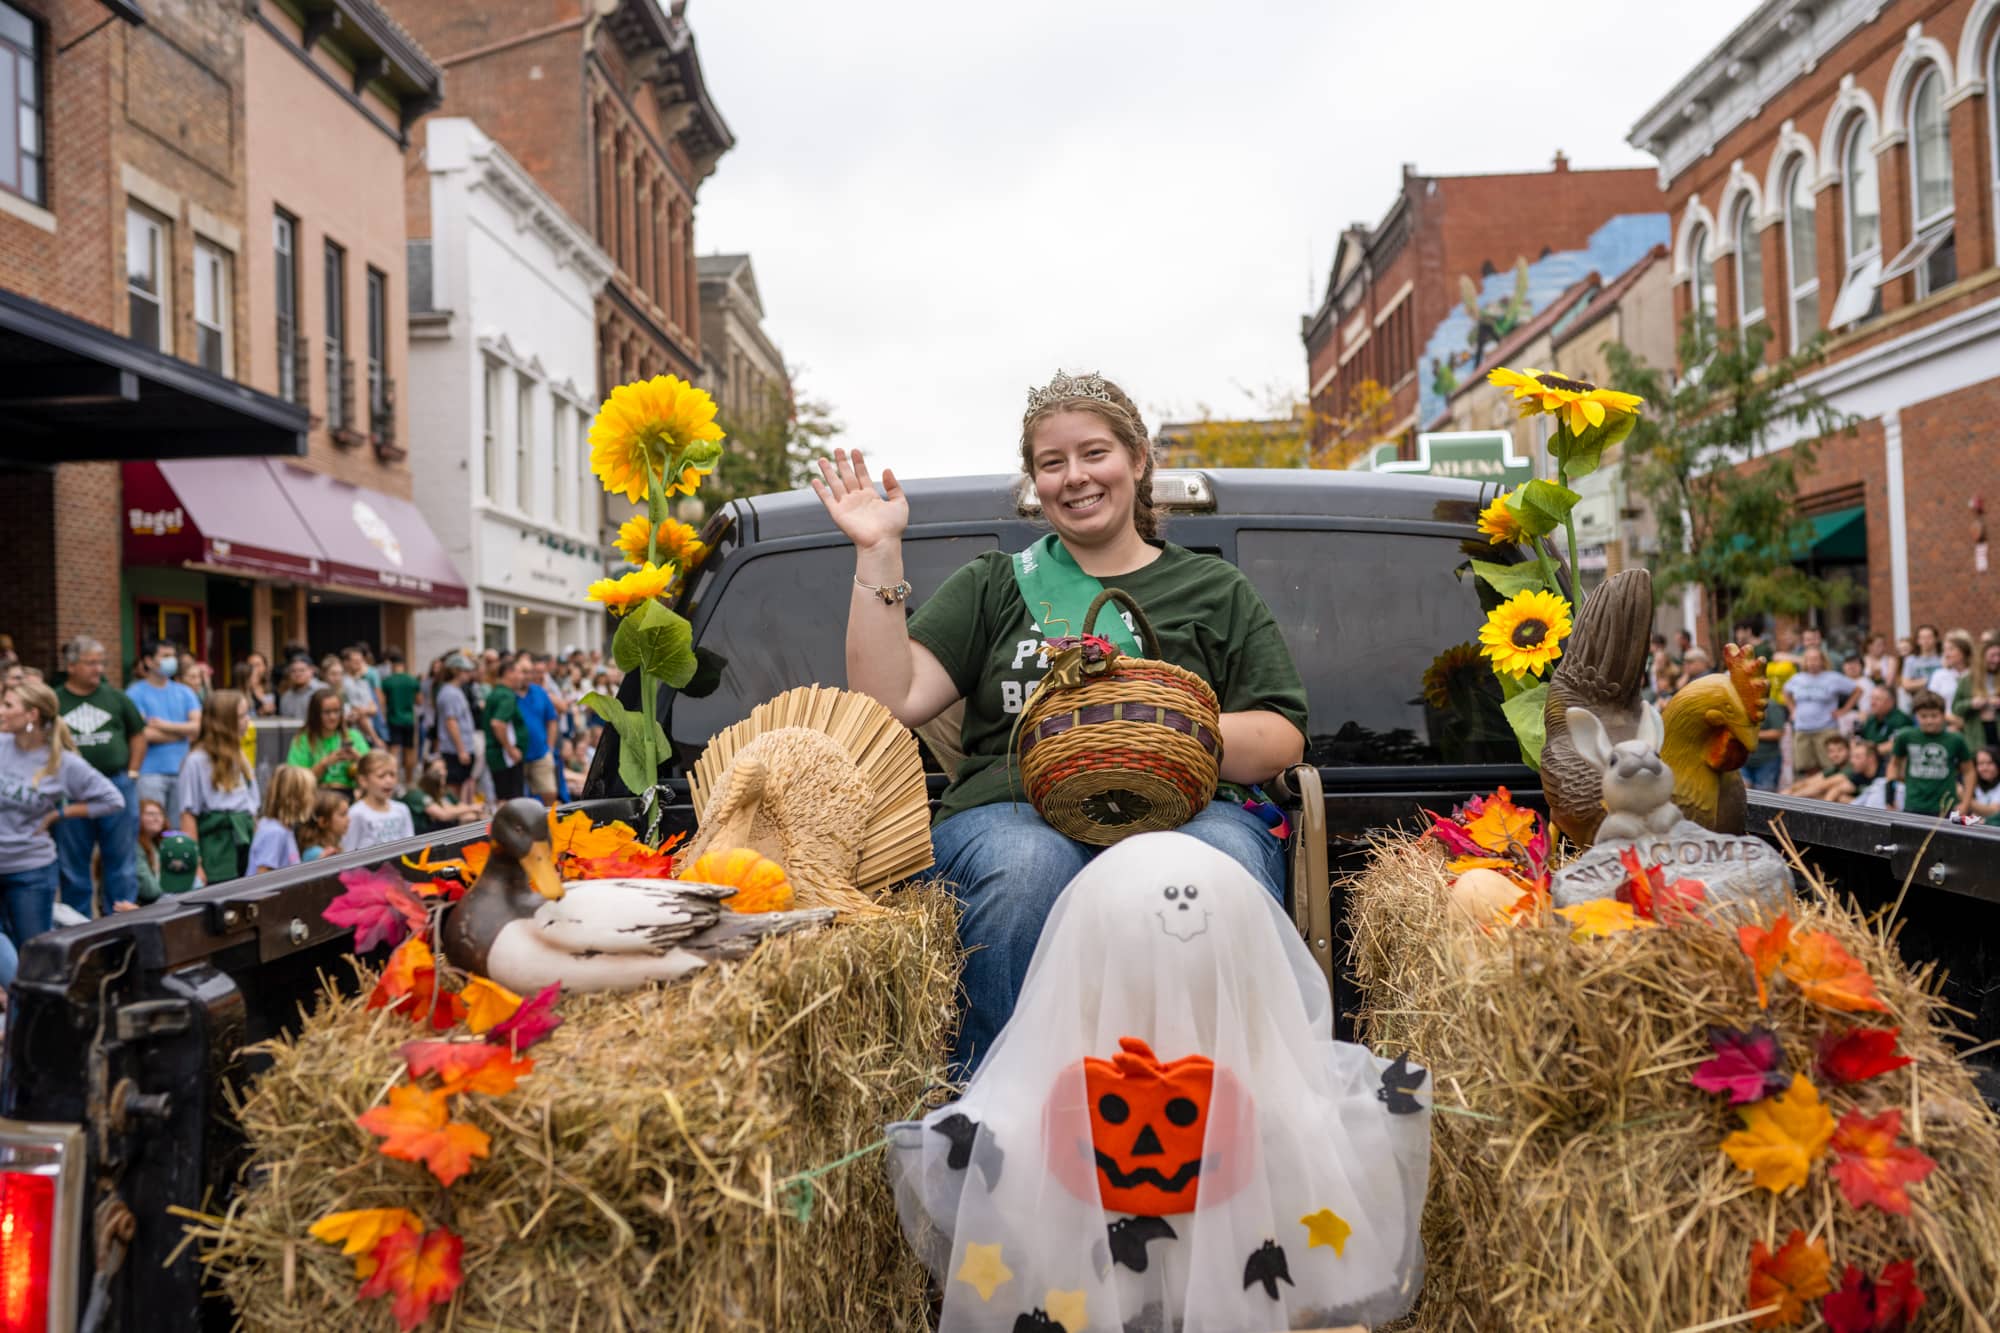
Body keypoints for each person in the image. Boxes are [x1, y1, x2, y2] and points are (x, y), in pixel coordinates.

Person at [811, 370, 1307, 1073]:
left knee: (1210, 869)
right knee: (1029, 866)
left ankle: (1224, 1105)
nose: (1075, 477)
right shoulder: (995, 582)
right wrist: (877, 552)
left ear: (1138, 460)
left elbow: (1283, 733)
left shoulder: (1213, 589)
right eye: (1052, 462)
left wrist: (1162, 738)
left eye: (1095, 453)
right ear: (1034, 481)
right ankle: (994, 1118)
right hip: (1008, 812)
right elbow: (890, 697)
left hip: (1193, 810)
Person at [0, 680, 126, 957]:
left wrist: (60, 813)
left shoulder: (63, 763)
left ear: (32, 714)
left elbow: (113, 800)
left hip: (30, 871)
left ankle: (27, 1001)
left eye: (8, 705)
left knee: (33, 954)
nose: (1, 711)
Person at [52, 636, 148, 916]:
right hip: (71, 792)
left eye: (101, 663)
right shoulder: (56, 700)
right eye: (91, 663)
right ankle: (77, 925)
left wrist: (132, 772)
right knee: (73, 865)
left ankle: (120, 924)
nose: (98, 669)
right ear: (71, 666)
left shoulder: (117, 698)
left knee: (122, 862)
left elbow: (138, 734)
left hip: (116, 784)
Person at [176, 690, 260, 885]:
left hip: (243, 840)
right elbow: (188, 815)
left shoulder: (239, 755)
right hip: (217, 847)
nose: (247, 720)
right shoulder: (196, 761)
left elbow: (251, 806)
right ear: (224, 722)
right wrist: (195, 864)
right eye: (241, 716)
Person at [126, 637, 202, 830]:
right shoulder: (135, 693)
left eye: (173, 656)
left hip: (182, 772)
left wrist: (163, 725)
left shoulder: (185, 692)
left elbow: (198, 727)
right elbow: (144, 734)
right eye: (165, 656)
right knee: (151, 829)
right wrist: (182, 732)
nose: (172, 661)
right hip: (149, 773)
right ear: (149, 661)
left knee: (179, 828)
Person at [1890, 690, 1974, 819]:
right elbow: (1893, 765)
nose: (1929, 721)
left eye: (1934, 716)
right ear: (1916, 716)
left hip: (1945, 807)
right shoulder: (1905, 736)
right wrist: (1890, 797)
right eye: (1923, 716)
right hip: (1913, 805)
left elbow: (1969, 771)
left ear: (1943, 715)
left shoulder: (1955, 739)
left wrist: (1966, 803)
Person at [1783, 645, 1859, 777]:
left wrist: (1844, 710)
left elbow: (1857, 690)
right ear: (1804, 661)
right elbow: (1785, 692)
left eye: (1815, 659)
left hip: (1825, 729)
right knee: (1807, 768)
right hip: (1802, 730)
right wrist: (1792, 709)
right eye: (1809, 659)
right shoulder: (1797, 678)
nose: (1812, 663)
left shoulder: (1833, 677)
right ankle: (1813, 795)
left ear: (1823, 661)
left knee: (1830, 766)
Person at [287, 688, 370, 794]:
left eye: (337, 711)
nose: (333, 717)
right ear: (315, 714)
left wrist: (358, 758)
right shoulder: (302, 740)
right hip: (316, 794)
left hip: (349, 793)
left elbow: (374, 772)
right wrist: (325, 763)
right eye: (326, 712)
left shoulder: (353, 736)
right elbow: (296, 781)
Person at [341, 751, 415, 852]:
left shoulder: (402, 809)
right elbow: (348, 850)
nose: (389, 780)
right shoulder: (356, 813)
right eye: (381, 776)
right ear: (364, 781)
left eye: (392, 775)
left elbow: (410, 845)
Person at [250, 765, 315, 874]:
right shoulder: (274, 833)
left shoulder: (284, 829)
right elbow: (263, 878)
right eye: (311, 793)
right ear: (295, 799)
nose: (314, 798)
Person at [515, 653, 559, 806]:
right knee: (519, 800)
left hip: (540, 753)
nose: (527, 676)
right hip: (516, 756)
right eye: (523, 671)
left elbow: (552, 720)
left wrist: (550, 747)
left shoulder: (540, 692)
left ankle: (547, 828)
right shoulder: (508, 695)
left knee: (550, 793)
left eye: (529, 672)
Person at [399, 758, 484, 835]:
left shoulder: (443, 790)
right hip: (423, 836)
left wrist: (476, 815)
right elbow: (443, 814)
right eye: (437, 770)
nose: (442, 772)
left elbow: (457, 808)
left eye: (444, 768)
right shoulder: (417, 793)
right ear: (426, 772)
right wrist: (471, 808)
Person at [434, 654, 478, 801]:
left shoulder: (455, 691)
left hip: (460, 747)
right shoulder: (450, 693)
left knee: (461, 784)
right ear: (455, 671)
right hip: (454, 749)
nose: (469, 674)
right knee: (454, 786)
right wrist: (461, 750)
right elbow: (451, 722)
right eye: (465, 671)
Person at [484, 653, 527, 801]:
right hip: (505, 757)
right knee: (511, 802)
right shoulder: (506, 695)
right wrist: (511, 749)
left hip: (500, 756)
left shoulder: (497, 692)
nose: (523, 677)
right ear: (509, 674)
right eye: (520, 672)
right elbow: (498, 723)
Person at [377, 648, 421, 786]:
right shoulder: (412, 681)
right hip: (409, 719)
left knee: (393, 752)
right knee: (410, 751)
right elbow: (419, 701)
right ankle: (409, 781)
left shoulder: (387, 682)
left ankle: (392, 781)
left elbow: (382, 703)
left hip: (394, 719)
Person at [1952, 639, 2000, 753]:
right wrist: (1971, 703)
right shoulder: (1967, 680)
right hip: (1976, 734)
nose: (1997, 660)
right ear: (1982, 657)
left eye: (1999, 655)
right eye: (1992, 656)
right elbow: (1956, 708)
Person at [1785, 732, 1858, 801]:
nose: (1835, 754)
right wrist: (1790, 790)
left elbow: (1821, 786)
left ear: (1849, 751)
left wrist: (1791, 797)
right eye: (1831, 751)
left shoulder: (1852, 767)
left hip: (1861, 807)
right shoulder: (1835, 768)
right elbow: (1809, 782)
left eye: (1840, 750)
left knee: (1837, 797)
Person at [1744, 689, 1788, 792]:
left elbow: (1778, 732)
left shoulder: (1771, 706)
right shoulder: (1739, 705)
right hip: (1743, 760)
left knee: (1764, 798)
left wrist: (1751, 734)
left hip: (1767, 760)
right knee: (1741, 792)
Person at [340, 645, 383, 747]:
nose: (359, 663)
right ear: (346, 663)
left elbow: (374, 708)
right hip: (351, 734)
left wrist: (365, 711)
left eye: (361, 660)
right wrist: (376, 738)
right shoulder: (343, 683)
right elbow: (356, 711)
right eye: (355, 661)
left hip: (368, 733)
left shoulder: (364, 682)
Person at [1854, 686, 1913, 757]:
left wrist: (1872, 749)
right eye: (1871, 698)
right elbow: (1858, 741)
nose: (1872, 703)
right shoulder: (1871, 719)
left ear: (1890, 701)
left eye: (1877, 699)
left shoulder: (1900, 720)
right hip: (1870, 759)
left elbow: (1895, 745)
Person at [1928, 630, 1975, 713]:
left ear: (1964, 650)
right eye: (1944, 650)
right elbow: (1932, 705)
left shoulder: (1976, 674)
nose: (1946, 654)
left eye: (1951, 649)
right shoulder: (1939, 675)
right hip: (1946, 723)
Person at [1899, 624, 1943, 712]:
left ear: (1936, 639)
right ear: (1918, 641)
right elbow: (1906, 685)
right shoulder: (1911, 660)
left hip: (1941, 704)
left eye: (1929, 637)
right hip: (1919, 705)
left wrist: (1917, 683)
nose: (1926, 641)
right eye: (1922, 638)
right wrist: (1930, 680)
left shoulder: (1943, 658)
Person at [297, 789, 350, 861]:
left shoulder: (333, 845)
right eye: (342, 814)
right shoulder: (315, 853)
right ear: (323, 822)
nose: (349, 819)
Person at [134, 797, 166, 904]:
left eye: (160, 814)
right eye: (150, 814)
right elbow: (150, 891)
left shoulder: (157, 845)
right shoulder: (135, 847)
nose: (157, 818)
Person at [275, 654, 320, 721]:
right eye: (293, 671)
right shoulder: (286, 697)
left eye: (302, 670)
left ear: (311, 670)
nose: (298, 674)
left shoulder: (321, 690)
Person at [238, 651, 278, 717]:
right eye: (251, 666)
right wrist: (259, 713)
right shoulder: (243, 691)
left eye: (257, 665)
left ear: (265, 667)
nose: (254, 669)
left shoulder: (272, 689)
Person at [1966, 747, 2000, 822]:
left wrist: (1964, 798)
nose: (1984, 768)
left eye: (1990, 763)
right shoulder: (1973, 785)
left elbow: (1994, 811)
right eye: (1981, 764)